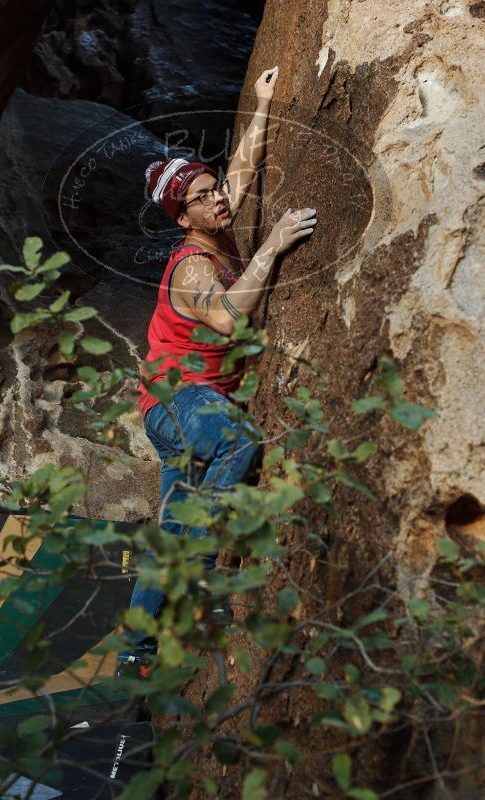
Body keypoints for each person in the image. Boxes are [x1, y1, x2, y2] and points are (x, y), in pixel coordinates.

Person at [118, 66, 317, 672]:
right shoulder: (191, 266)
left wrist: (261, 103)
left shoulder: (215, 229)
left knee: (174, 524)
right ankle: (201, 591)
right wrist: (273, 245)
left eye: (213, 189)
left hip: (185, 400)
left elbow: (242, 169)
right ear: (183, 219)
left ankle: (135, 651)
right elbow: (229, 320)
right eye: (202, 198)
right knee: (239, 441)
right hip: (179, 401)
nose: (218, 199)